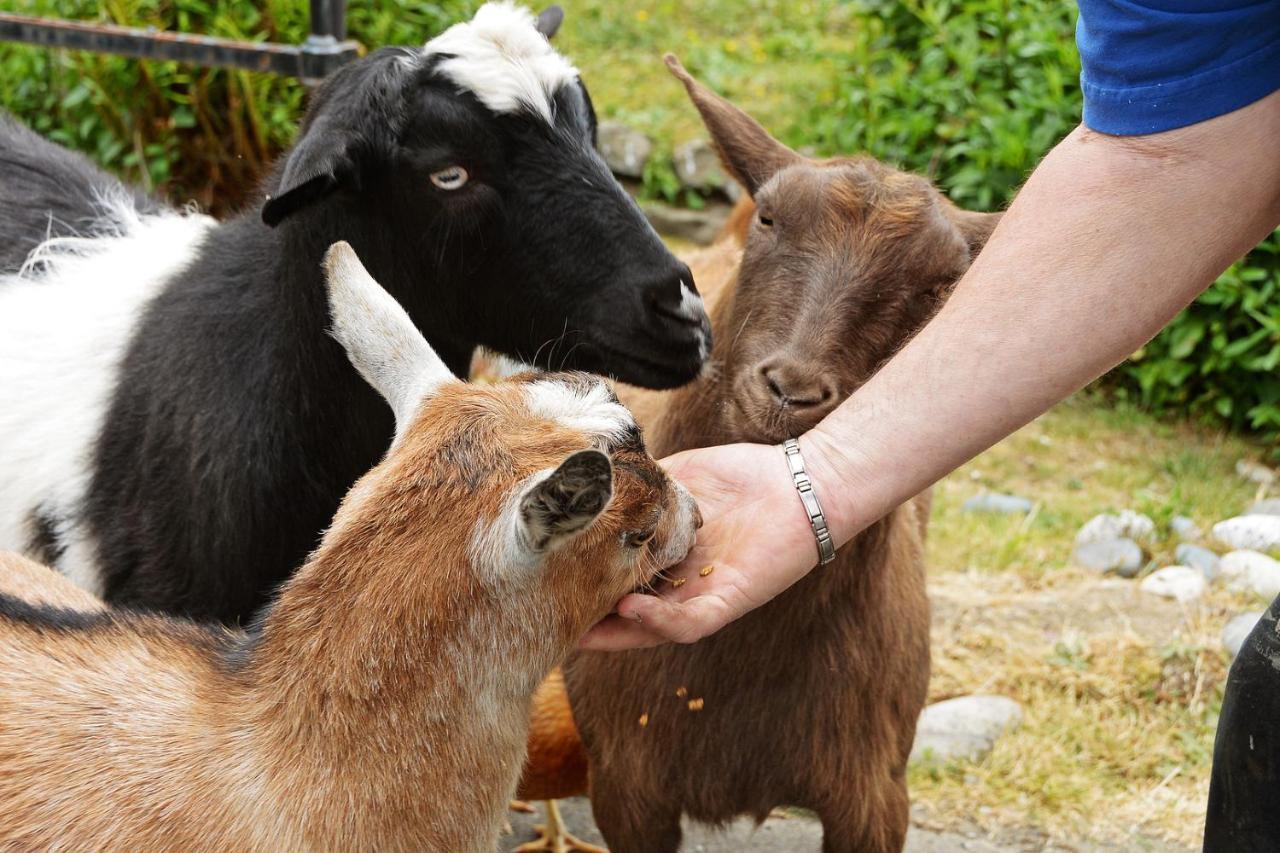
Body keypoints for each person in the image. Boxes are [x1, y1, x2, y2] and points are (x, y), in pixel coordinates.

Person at [580, 1, 1279, 848]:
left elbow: (1167, 156)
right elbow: (1163, 151)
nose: (800, 365)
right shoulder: (614, 435)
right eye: (769, 219)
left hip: (851, 583)